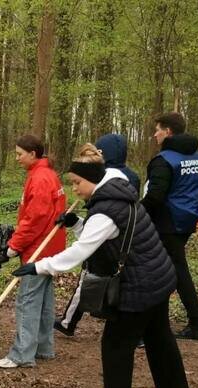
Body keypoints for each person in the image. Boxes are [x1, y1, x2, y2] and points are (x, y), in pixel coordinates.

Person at [14, 143, 196, 388]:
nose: (74, 189)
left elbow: (79, 253)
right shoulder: (118, 189)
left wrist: (38, 266)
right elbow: (105, 234)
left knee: (115, 346)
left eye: (77, 183)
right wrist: (76, 223)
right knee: (161, 341)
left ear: (94, 180)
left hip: (139, 285)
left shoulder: (105, 211)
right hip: (159, 276)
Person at [55, 133, 139, 337]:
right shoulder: (127, 176)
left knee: (93, 279)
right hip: (115, 240)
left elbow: (89, 237)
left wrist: (42, 265)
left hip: (113, 243)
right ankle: (70, 321)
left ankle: (69, 322)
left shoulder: (108, 179)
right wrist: (75, 221)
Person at [0, 134, 66, 369]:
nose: (17, 158)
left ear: (33, 154)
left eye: (19, 154)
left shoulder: (40, 178)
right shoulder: (47, 175)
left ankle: (21, 354)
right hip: (50, 247)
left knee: (27, 300)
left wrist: (14, 245)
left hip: (39, 250)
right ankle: (44, 348)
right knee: (44, 300)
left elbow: (34, 218)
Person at [144, 112, 198, 340]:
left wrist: (137, 213)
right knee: (175, 269)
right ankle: (193, 322)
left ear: (168, 132)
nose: (155, 134)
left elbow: (154, 197)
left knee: (163, 270)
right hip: (185, 222)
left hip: (165, 224)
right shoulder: (197, 158)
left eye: (158, 129)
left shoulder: (164, 160)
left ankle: (195, 324)